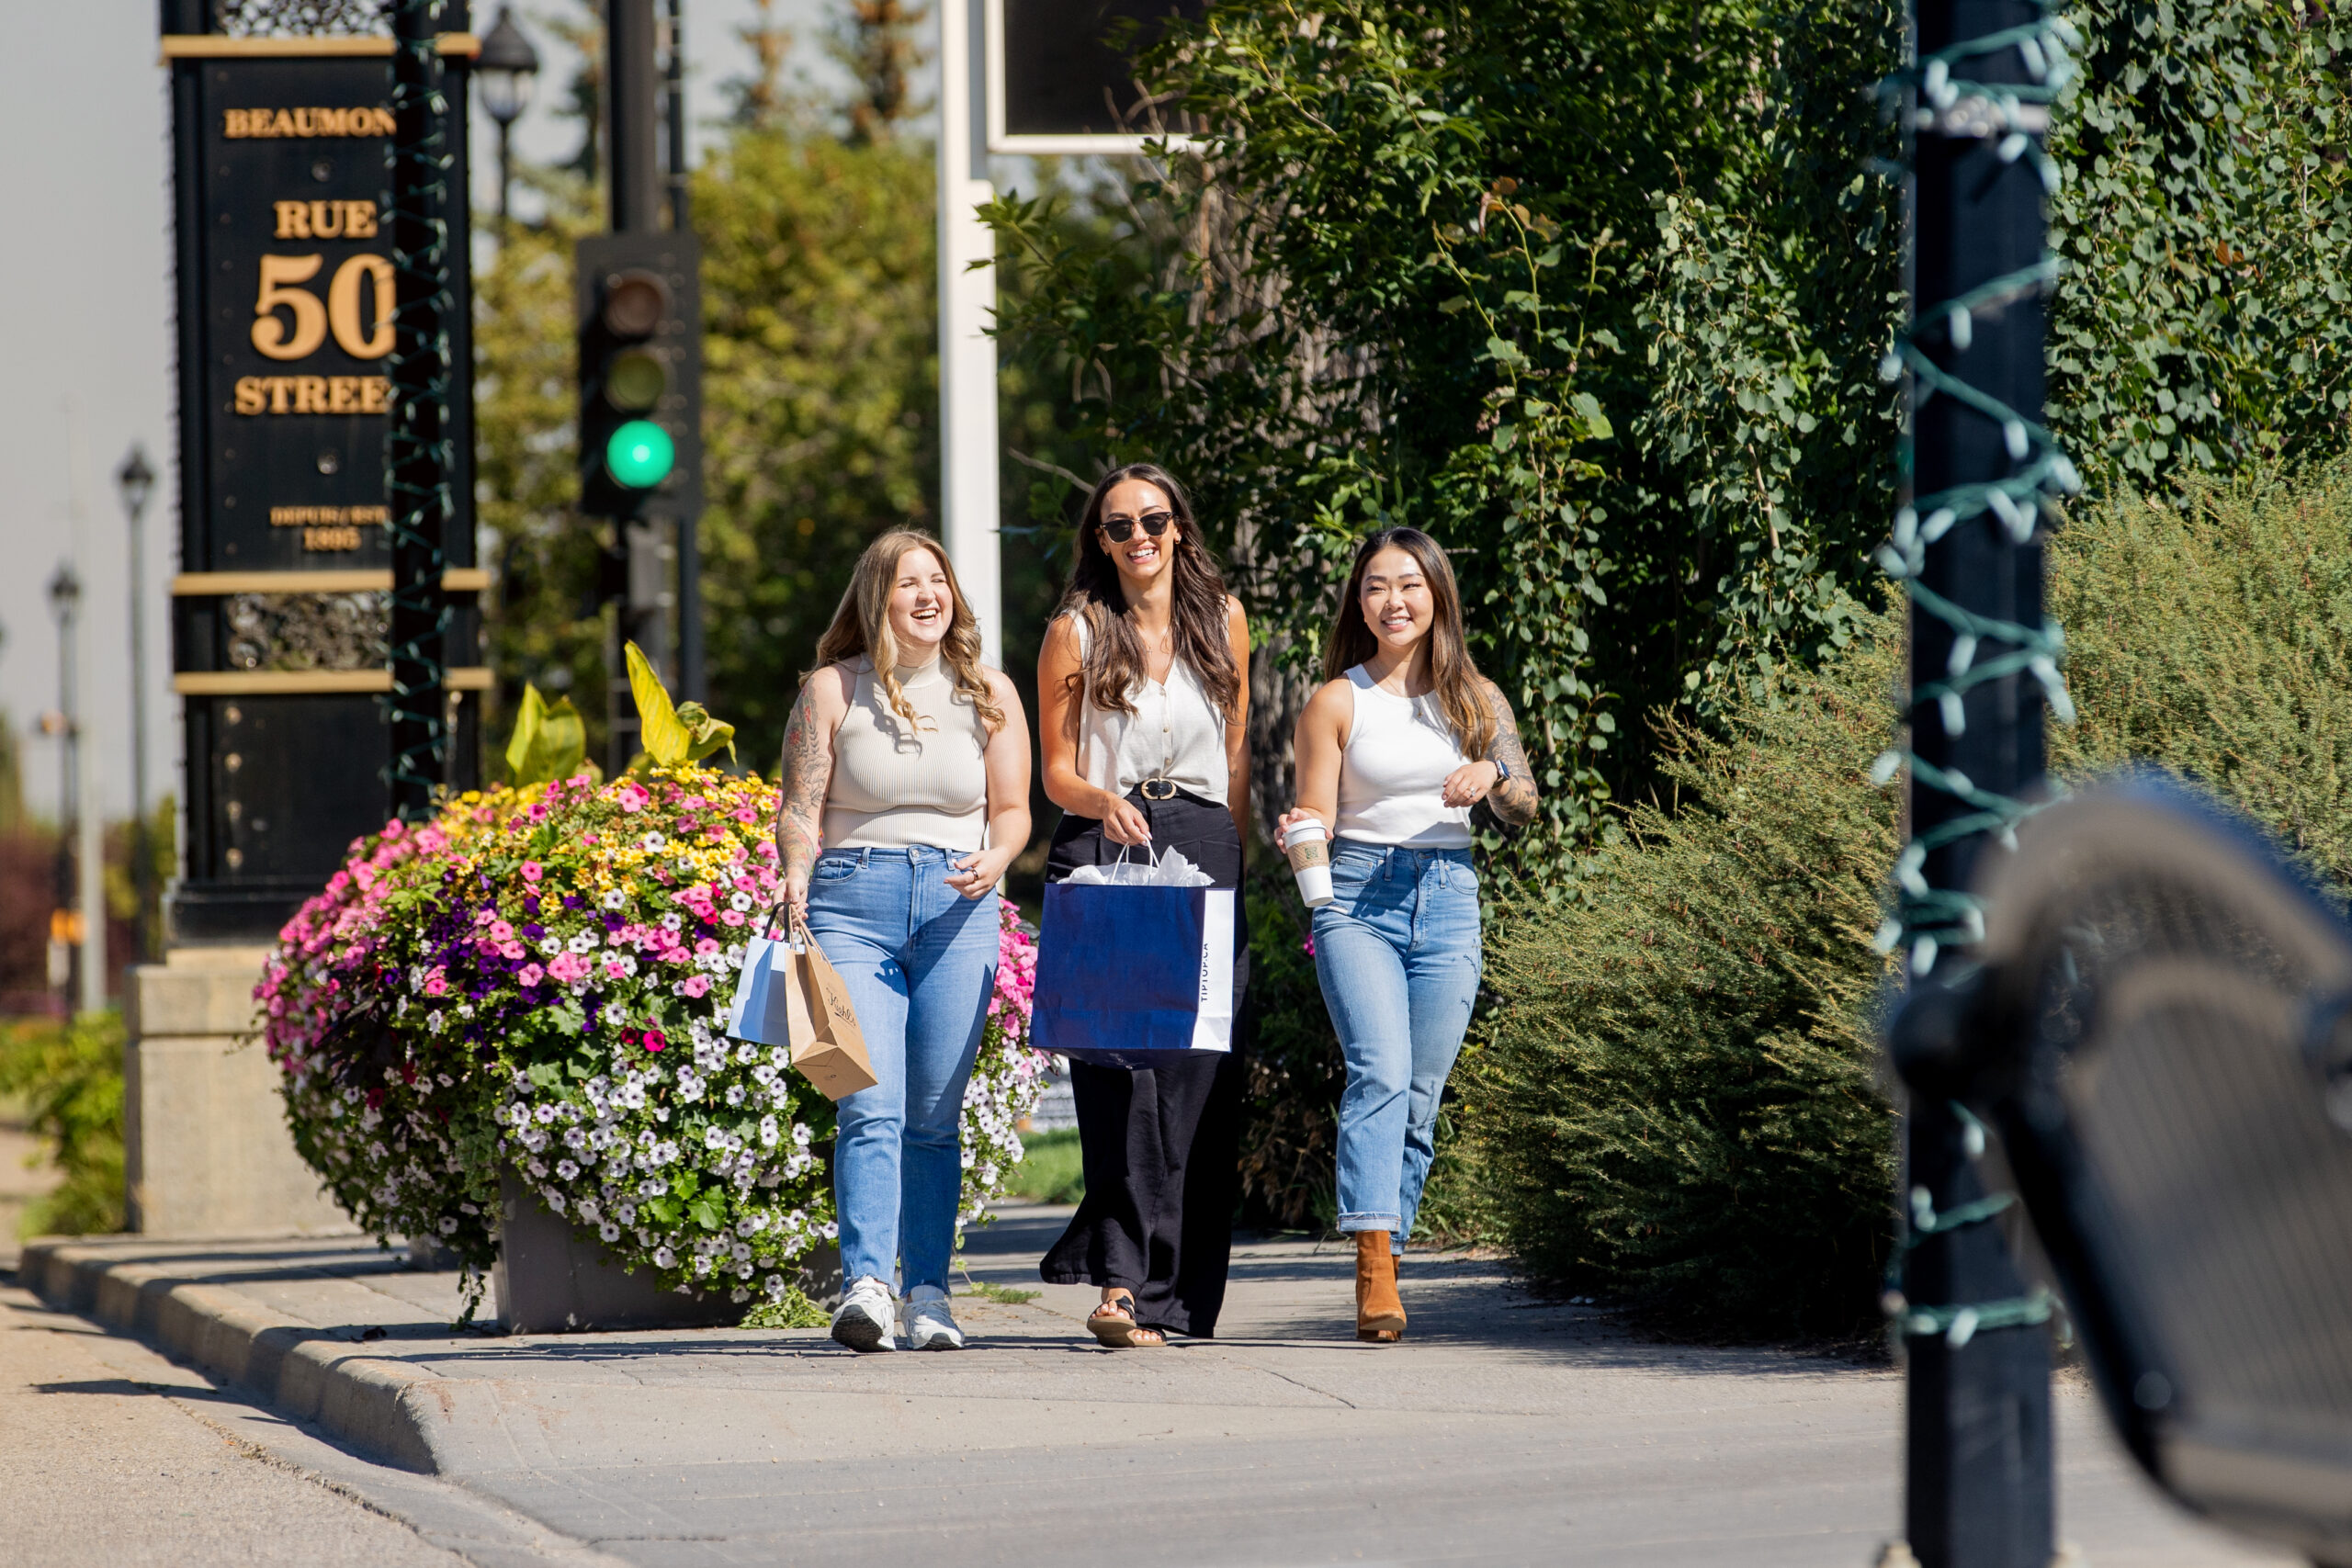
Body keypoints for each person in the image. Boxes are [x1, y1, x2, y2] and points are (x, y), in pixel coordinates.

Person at [1276, 527, 1539, 1342]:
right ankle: (1374, 1267)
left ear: (1437, 595)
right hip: (1356, 896)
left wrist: (1493, 775)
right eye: (1378, 587)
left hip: (1450, 894)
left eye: (1410, 585)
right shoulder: (1337, 699)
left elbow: (1526, 799)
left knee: (1420, 1096)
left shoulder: (1477, 699)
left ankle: (1383, 1232)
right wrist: (1312, 870)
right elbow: (1314, 813)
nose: (1394, 601)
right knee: (1380, 1073)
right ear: (1360, 603)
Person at [775, 529, 1032, 1353]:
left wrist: (998, 855)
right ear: (875, 597)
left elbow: (1014, 808)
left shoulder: (989, 692)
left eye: (938, 580)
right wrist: (793, 871)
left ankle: (928, 1292)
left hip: (960, 910)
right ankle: (866, 1287)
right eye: (907, 582)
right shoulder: (831, 689)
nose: (928, 594)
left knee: (932, 1116)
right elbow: (799, 807)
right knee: (869, 1102)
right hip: (853, 903)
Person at [1036, 463, 1252, 1348]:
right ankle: (1120, 1285)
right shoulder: (1075, 631)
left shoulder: (1224, 621)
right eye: (1119, 525)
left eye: (1153, 520)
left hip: (1202, 843)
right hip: (1105, 838)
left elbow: (1235, 759)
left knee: (1197, 1072)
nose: (1139, 538)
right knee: (1119, 1071)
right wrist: (1100, 803)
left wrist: (1229, 861)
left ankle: (1177, 1298)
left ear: (1178, 528)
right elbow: (1056, 768)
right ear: (1101, 541)